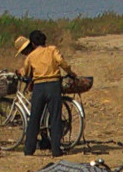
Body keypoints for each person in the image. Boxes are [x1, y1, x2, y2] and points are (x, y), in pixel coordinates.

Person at [16, 30, 77, 158]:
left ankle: (29, 150)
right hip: (53, 85)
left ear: (32, 43)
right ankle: (56, 150)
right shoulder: (52, 50)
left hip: (39, 87)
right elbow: (62, 62)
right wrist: (71, 73)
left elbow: (26, 72)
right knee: (55, 118)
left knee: (34, 119)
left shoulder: (31, 56)